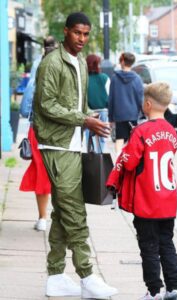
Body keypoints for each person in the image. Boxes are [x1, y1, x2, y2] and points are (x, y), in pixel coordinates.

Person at [33, 12, 118, 298]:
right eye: (77, 33)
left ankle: (56, 276)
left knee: (62, 212)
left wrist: (89, 119)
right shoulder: (52, 62)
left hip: (73, 143)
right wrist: (83, 120)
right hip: (55, 145)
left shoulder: (80, 61)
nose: (82, 39)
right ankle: (88, 276)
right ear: (66, 31)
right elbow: (46, 105)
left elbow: (75, 104)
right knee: (75, 212)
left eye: (86, 34)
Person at [108, 82, 177, 300]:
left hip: (147, 200)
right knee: (167, 243)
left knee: (149, 247)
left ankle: (154, 291)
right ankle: (174, 289)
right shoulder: (171, 131)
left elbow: (129, 164)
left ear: (147, 104)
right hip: (168, 200)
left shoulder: (141, 131)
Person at [19, 36, 56, 231]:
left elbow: (25, 110)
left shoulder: (35, 81)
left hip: (38, 132)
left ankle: (42, 218)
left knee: (42, 173)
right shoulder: (64, 80)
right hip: (61, 132)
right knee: (61, 174)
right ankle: (61, 218)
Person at [108, 52, 144, 155]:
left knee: (119, 139)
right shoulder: (137, 79)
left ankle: (119, 162)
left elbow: (111, 99)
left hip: (119, 114)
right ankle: (130, 162)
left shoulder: (115, 78)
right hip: (133, 114)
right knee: (133, 139)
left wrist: (111, 118)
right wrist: (142, 113)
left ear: (122, 62)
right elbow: (140, 97)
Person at [86, 54, 110, 152]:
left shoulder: (84, 79)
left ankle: (90, 156)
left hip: (88, 111)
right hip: (102, 110)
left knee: (88, 136)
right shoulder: (104, 78)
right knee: (101, 137)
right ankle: (99, 157)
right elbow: (110, 95)